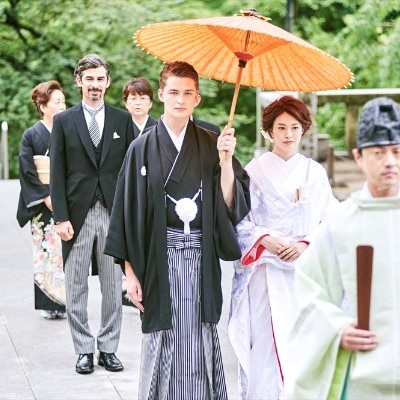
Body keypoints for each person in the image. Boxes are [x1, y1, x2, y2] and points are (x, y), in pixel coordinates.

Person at [105, 61, 251, 399]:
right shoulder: (141, 147)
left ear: (197, 97)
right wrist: (130, 273)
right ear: (160, 95)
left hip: (200, 257)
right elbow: (125, 212)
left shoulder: (213, 140)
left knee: (200, 332)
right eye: (173, 92)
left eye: (188, 93)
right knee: (163, 334)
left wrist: (226, 161)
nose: (180, 100)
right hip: (158, 258)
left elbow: (233, 203)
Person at [284, 97, 400, 399]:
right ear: (359, 157)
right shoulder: (340, 223)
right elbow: (309, 291)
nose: (389, 161)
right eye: (379, 153)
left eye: (396, 152)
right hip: (361, 373)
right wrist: (336, 329)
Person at [228, 95, 339, 400]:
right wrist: (266, 239)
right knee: (265, 343)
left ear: (304, 130)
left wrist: (306, 242)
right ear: (269, 131)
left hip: (304, 270)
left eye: (294, 127)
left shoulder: (314, 172)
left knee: (304, 342)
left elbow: (331, 219)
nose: (288, 134)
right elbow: (241, 220)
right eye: (281, 127)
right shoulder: (255, 170)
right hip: (265, 269)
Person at [49, 54, 134, 374]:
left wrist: (128, 215)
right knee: (76, 285)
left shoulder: (122, 121)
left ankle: (108, 348)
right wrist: (60, 217)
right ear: (79, 81)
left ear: (108, 82)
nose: (95, 85)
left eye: (100, 79)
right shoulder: (64, 121)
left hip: (113, 213)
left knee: (113, 285)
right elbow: (57, 173)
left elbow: (128, 171)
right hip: (76, 214)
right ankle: (83, 349)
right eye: (89, 79)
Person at [17, 80, 67, 320]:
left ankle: (64, 301)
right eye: (57, 102)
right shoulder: (31, 135)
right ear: (43, 106)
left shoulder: (67, 130)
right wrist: (45, 196)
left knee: (65, 251)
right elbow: (27, 170)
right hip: (41, 202)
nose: (63, 105)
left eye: (63, 101)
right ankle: (48, 302)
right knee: (45, 251)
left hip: (65, 200)